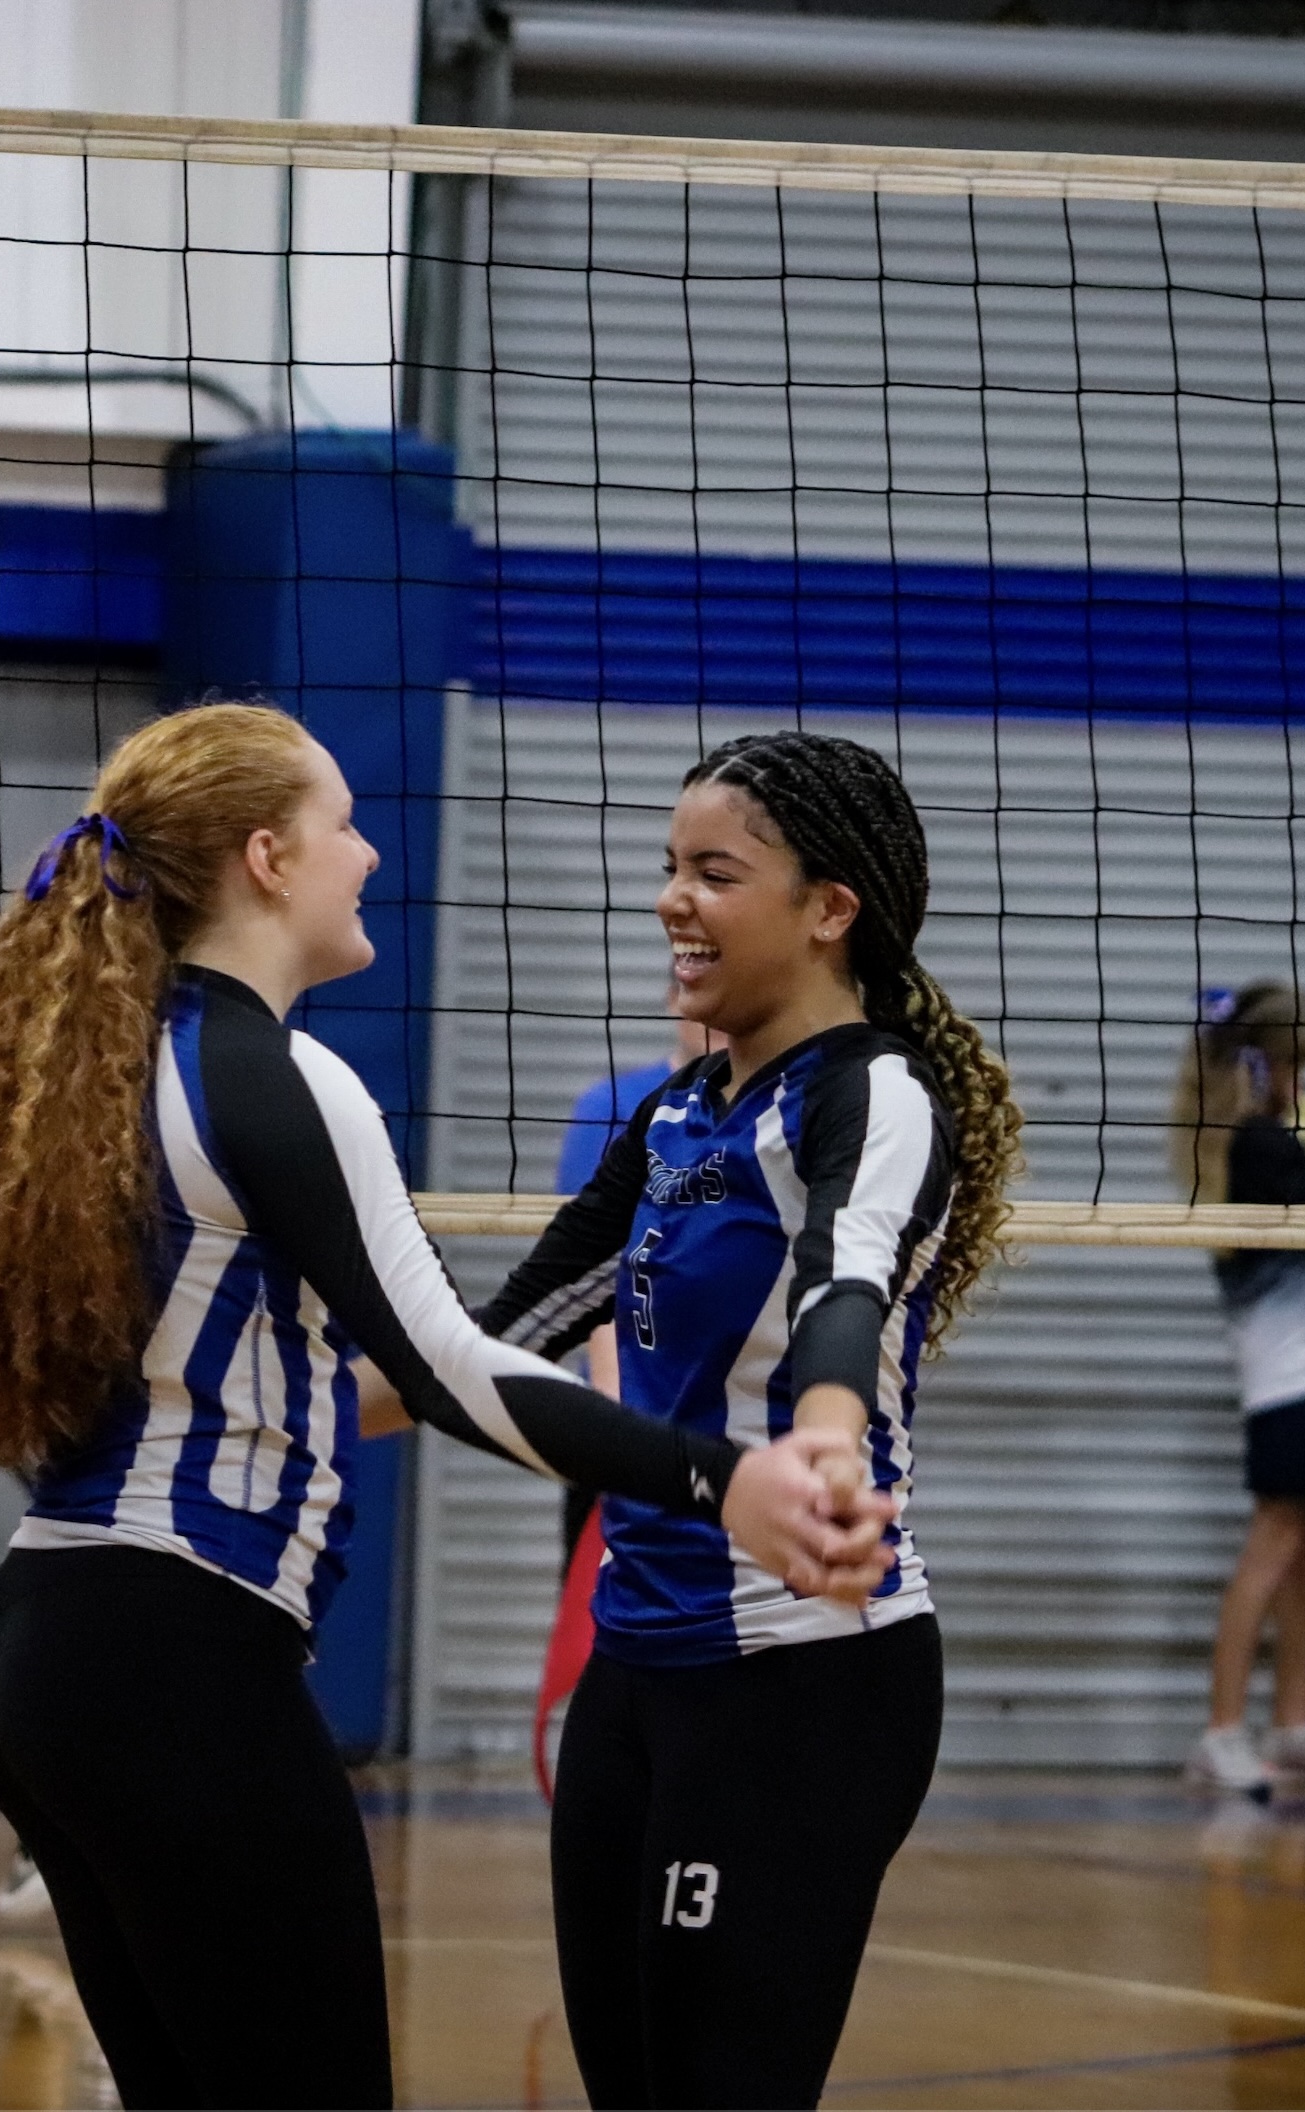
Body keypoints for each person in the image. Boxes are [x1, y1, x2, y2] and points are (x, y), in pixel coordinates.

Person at [0, 702, 875, 2110]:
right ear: (267, 857)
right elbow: (455, 1364)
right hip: (174, 1660)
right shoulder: (275, 1073)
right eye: (341, 823)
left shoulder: (93, 1059)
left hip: (44, 1644)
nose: (370, 852)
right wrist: (719, 1479)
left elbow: (348, 1375)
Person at [471, 730, 1020, 2108]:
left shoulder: (870, 1092)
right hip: (633, 1667)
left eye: (713, 872)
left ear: (828, 909)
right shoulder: (675, 1114)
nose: (671, 900)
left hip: (800, 1679)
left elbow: (848, 1279)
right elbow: (489, 1352)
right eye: (668, 868)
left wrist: (823, 1433)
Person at [1173, 982, 1305, 1793]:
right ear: (1266, 1066)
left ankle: (1292, 1723)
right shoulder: (1258, 1145)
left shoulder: (1272, 1141)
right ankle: (1222, 1730)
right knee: (1277, 1539)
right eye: (1298, 1064)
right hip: (1289, 1374)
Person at [554, 981, 722, 1557]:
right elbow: (594, 1271)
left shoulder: (784, 1106)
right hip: (628, 1420)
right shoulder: (613, 1107)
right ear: (676, 1000)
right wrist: (621, 1428)